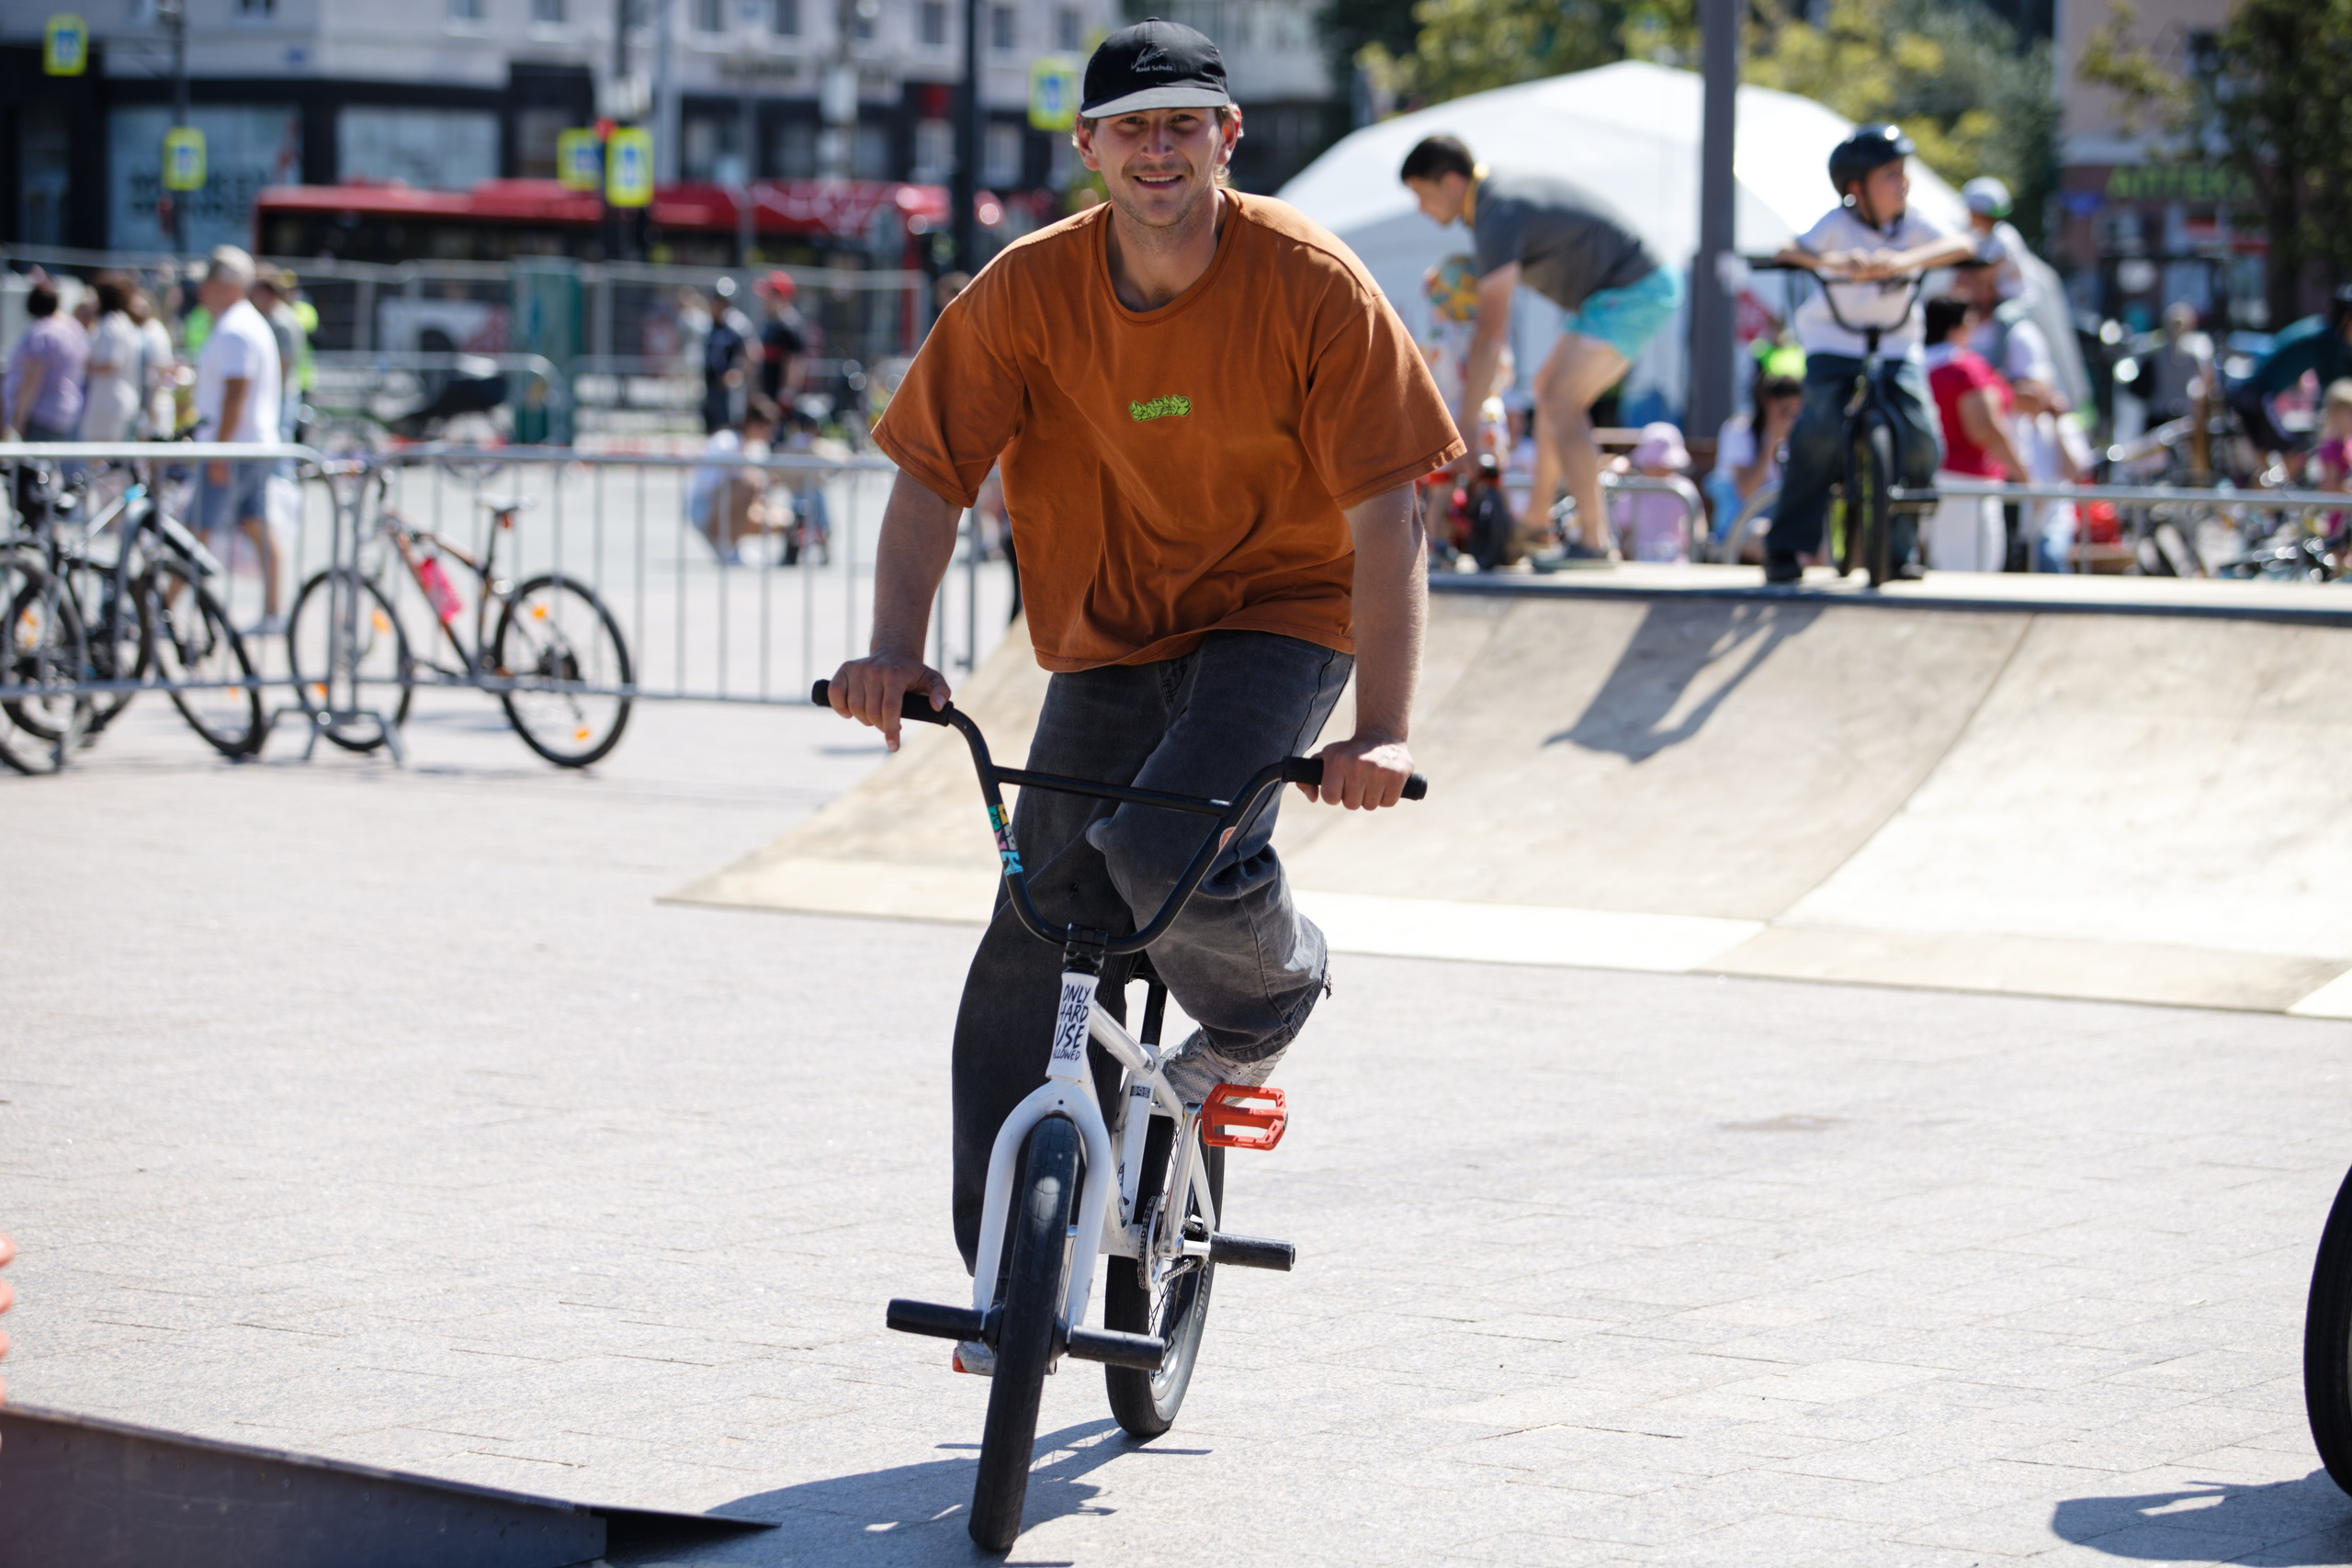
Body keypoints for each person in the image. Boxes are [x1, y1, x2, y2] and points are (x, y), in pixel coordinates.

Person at [822, 17, 1456, 1324]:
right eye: (1132, 128)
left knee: (1162, 850)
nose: (1157, 150)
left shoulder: (1311, 281)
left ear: (1228, 137)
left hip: (1283, 612)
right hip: (1111, 626)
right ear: (1090, 146)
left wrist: (1381, 728)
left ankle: (1267, 990)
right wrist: (894, 650)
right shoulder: (1026, 290)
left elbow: (1387, 512)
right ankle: (1007, 1274)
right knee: (1039, 921)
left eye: (1184, 125)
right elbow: (931, 475)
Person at [1399, 133, 1682, 560]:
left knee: (1558, 398)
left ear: (1451, 181)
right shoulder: (1494, 200)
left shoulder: (1496, 212)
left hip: (1632, 290)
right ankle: (1534, 524)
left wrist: (1468, 428)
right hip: (1613, 294)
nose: (1421, 210)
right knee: (1552, 390)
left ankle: (1594, 540)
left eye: (1422, 195)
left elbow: (1490, 331)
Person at [1764, 125, 1976, 584]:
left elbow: (1963, 244)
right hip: (1834, 342)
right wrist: (1835, 262)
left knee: (1922, 437)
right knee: (1817, 429)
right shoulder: (1837, 226)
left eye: (1903, 173)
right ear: (1856, 189)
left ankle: (1898, 550)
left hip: (1898, 345)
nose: (1903, 183)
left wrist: (1903, 261)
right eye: (1890, 175)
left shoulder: (1912, 223)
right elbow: (1788, 250)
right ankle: (1786, 549)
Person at [190, 246, 286, 634]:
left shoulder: (236, 328)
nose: (202, 292)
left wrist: (220, 451)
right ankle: (274, 611)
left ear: (225, 286)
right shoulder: (243, 323)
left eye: (209, 284)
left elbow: (236, 392)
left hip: (236, 447)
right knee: (256, 524)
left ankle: (160, 609)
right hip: (247, 445)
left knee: (197, 529)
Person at [1923, 294, 2030, 571]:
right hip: (1968, 485)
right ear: (1956, 326)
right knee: (1973, 578)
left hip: (1929, 478)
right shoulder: (1963, 368)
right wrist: (2024, 475)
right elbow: (1985, 429)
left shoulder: (1916, 366)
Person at [2231, 287, 2352, 459]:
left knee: (2274, 459)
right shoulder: (2327, 339)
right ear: (2347, 318)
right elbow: (2336, 386)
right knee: (2294, 455)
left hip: (2253, 395)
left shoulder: (2321, 328)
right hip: (2256, 397)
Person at [1705, 367, 1803, 557]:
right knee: (1770, 537)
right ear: (1767, 404)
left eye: (1796, 413)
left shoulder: (1797, 435)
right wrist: (1771, 442)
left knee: (1811, 539)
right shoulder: (1738, 430)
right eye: (1784, 411)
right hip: (1737, 525)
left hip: (1778, 521)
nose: (1790, 420)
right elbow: (1747, 492)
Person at [687, 394, 781, 563]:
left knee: (780, 517)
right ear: (753, 425)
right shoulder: (727, 441)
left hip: (717, 503)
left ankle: (732, 546)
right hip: (705, 506)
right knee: (747, 485)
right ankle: (727, 546)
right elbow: (712, 484)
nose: (770, 434)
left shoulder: (753, 447)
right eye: (767, 428)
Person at [2, 278, 88, 444]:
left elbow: (33, 378)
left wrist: (19, 417)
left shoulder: (42, 332)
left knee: (36, 467)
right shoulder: (74, 328)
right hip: (68, 410)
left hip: (41, 413)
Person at [1610, 422, 1694, 563]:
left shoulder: (1684, 490)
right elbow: (1622, 530)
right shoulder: (1632, 491)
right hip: (1639, 562)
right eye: (1653, 463)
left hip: (1676, 564)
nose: (1658, 468)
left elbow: (1695, 529)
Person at [79, 273, 145, 444]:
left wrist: (85, 365)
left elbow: (111, 362)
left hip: (108, 403)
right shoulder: (123, 323)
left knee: (100, 462)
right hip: (119, 400)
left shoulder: (110, 325)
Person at [2140, 301, 2212, 427]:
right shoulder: (2157, 349)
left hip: (2185, 413)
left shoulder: (2196, 348)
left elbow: (2205, 381)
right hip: (2160, 410)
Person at [1962, 176, 2030, 302]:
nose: (1968, 213)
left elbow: (1985, 275)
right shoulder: (1984, 236)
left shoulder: (2003, 237)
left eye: (1971, 209)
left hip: (2011, 304)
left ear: (1979, 212)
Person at [700, 276, 751, 434]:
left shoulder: (736, 325)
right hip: (711, 385)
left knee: (727, 429)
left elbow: (751, 353)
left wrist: (738, 373)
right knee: (711, 427)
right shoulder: (710, 324)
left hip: (728, 390)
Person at [754, 272, 809, 406]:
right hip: (768, 397)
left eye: (768, 295)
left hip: (781, 400)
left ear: (781, 296)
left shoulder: (790, 325)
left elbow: (795, 363)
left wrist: (786, 394)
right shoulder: (772, 323)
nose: (764, 300)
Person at [130, 287, 178, 438]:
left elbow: (162, 368)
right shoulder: (139, 329)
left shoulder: (154, 330)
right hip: (143, 399)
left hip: (155, 400)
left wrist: (150, 404)